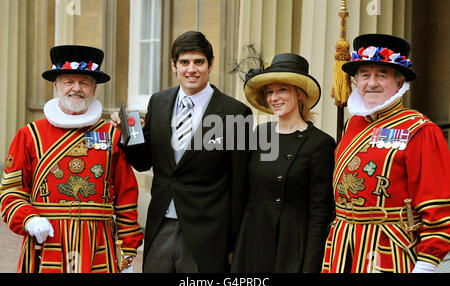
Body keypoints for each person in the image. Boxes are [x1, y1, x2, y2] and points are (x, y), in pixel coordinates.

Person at [110, 31, 253, 273]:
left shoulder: (236, 113)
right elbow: (144, 162)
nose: (191, 69)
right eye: (184, 62)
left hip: (207, 234)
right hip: (161, 226)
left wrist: (233, 243)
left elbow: (240, 185)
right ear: (174, 66)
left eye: (199, 62)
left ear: (210, 64)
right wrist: (127, 133)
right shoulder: (158, 102)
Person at [0, 45, 144, 273]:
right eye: (69, 81)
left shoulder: (112, 135)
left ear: (94, 89)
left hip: (99, 246)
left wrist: (127, 251)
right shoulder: (29, 135)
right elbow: (10, 191)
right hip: (46, 243)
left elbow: (126, 196)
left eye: (84, 83)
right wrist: (28, 219)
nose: (76, 89)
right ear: (56, 86)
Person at [321, 34, 450, 273]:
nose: (371, 83)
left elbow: (439, 206)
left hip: (387, 251)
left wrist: (427, 263)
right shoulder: (353, 124)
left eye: (382, 74)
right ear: (356, 80)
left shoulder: (421, 130)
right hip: (343, 250)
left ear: (399, 82)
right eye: (364, 74)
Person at [230, 53, 335, 273]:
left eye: (282, 90)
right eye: (269, 92)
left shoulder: (320, 143)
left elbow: (319, 213)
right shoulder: (260, 134)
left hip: (291, 247)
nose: (273, 97)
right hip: (252, 242)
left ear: (299, 94)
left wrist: (310, 266)